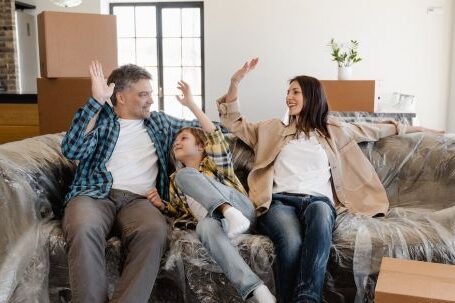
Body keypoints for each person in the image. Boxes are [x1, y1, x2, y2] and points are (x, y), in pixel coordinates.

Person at [216, 58, 442, 303]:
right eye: (287, 92)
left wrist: (426, 131)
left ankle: (307, 299)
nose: (289, 97)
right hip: (280, 202)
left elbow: (379, 129)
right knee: (291, 243)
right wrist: (235, 81)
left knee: (322, 216)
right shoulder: (271, 128)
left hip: (318, 201)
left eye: (295, 92)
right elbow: (232, 121)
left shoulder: (333, 130)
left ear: (312, 96)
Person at [61, 61, 201, 303]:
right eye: (143, 94)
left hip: (141, 199)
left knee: (155, 231)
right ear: (121, 97)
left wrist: (194, 105)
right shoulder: (101, 119)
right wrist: (96, 102)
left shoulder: (160, 123)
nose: (151, 100)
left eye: (150, 93)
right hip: (94, 194)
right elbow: (72, 149)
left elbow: (210, 131)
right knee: (83, 226)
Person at [148, 81, 276, 303]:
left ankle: (229, 212)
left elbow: (214, 134)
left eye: (184, 139)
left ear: (200, 146)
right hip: (219, 223)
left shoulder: (216, 164)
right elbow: (180, 213)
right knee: (204, 225)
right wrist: (161, 205)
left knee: (186, 175)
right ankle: (256, 290)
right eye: (175, 141)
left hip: (241, 210)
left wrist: (191, 105)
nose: (177, 143)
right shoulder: (175, 182)